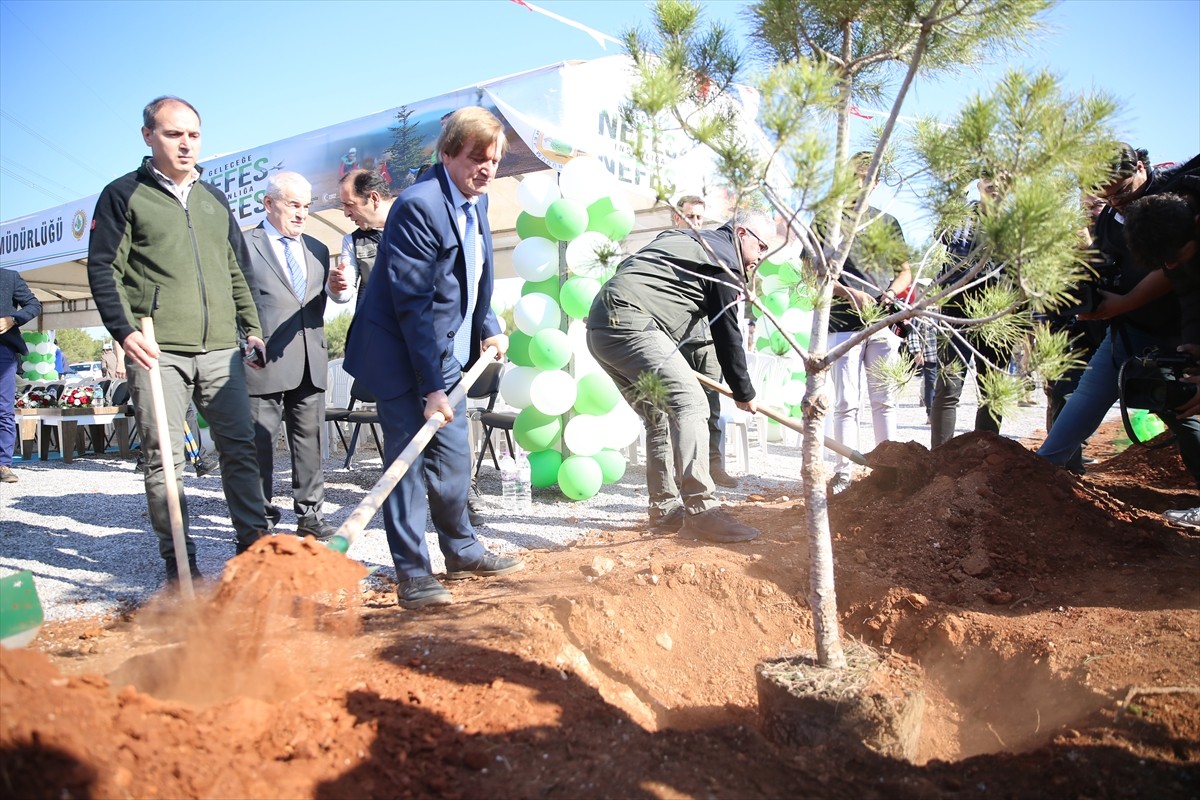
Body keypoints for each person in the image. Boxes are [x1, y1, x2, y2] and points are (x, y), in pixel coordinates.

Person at [344, 107, 523, 610]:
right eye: (475, 159)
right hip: (401, 355)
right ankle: (413, 574)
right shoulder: (420, 206)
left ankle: (462, 550)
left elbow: (472, 277)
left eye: (493, 161)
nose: (486, 170)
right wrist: (432, 387)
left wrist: (486, 325)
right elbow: (413, 305)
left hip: (445, 352)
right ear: (447, 154)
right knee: (405, 467)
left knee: (453, 463)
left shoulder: (477, 201)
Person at [87, 95, 269, 584]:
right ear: (148, 136)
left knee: (239, 448)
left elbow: (237, 269)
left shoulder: (215, 199)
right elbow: (104, 268)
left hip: (220, 352)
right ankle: (179, 562)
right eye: (174, 133)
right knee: (164, 458)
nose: (186, 143)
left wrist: (251, 328)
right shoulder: (123, 194)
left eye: (193, 134)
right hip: (156, 348)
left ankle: (252, 548)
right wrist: (123, 331)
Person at [587, 209, 774, 543]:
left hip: (601, 325)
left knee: (657, 417)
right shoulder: (724, 258)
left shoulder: (680, 239)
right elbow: (727, 333)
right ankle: (702, 510)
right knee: (690, 403)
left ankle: (664, 509)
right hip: (633, 323)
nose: (761, 256)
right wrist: (744, 391)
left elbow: (629, 272)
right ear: (742, 233)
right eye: (761, 247)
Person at [1036, 144, 1200, 486]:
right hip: (1129, 333)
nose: (1116, 201)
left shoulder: (1176, 203)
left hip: (1177, 334)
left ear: (1141, 167)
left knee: (1184, 411)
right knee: (1085, 398)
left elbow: (1176, 274)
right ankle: (1036, 474)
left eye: (1122, 191)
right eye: (1105, 196)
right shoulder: (1110, 220)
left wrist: (1124, 302)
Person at [243, 172, 335, 540]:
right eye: (293, 205)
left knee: (309, 442)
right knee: (260, 443)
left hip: (311, 359)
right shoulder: (244, 245)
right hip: (262, 360)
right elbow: (234, 299)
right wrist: (243, 339)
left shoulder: (317, 248)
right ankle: (261, 518)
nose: (302, 214)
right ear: (269, 204)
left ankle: (310, 515)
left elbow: (324, 301)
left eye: (307, 207)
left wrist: (340, 292)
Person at [825, 155, 912, 494]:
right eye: (856, 176)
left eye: (869, 178)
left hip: (882, 324)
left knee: (884, 399)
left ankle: (886, 469)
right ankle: (843, 469)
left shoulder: (887, 222)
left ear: (876, 183)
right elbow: (813, 272)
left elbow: (904, 270)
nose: (862, 183)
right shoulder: (829, 220)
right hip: (843, 323)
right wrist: (848, 293)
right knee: (846, 402)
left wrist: (890, 293)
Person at [1123, 153, 1200, 529]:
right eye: (1162, 263)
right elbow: (1189, 294)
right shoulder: (1174, 229)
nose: (1171, 266)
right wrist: (1194, 346)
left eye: (1176, 256)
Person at [929, 177, 1012, 448]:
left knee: (993, 391)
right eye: (988, 176)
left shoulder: (1019, 224)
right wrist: (955, 188)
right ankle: (939, 458)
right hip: (957, 311)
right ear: (979, 183)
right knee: (948, 389)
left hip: (998, 316)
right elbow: (942, 234)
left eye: (1004, 176)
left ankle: (983, 456)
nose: (995, 183)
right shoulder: (964, 216)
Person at [670, 195, 739, 488]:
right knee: (679, 410)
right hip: (676, 343)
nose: (695, 222)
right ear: (676, 218)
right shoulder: (666, 248)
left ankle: (714, 467)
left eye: (699, 217)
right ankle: (682, 472)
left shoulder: (713, 249)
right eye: (689, 217)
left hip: (708, 342)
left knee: (711, 409)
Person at [328, 168, 396, 312]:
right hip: (379, 328)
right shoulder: (351, 241)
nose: (346, 213)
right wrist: (336, 288)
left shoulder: (416, 224)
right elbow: (345, 292)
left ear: (374, 198)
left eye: (349, 204)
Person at [0, 268, 42, 484]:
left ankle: (3, 464)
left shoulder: (9, 277)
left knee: (3, 409)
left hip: (2, 350)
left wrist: (13, 319)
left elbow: (34, 305)